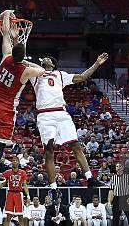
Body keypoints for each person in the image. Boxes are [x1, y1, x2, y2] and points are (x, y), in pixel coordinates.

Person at [0, 10, 45, 208]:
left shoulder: (6, 58)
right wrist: (26, 60)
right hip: (6, 111)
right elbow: (43, 70)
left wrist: (6, 15)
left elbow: (5, 34)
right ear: (23, 58)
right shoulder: (26, 70)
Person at [32, 53, 109, 201]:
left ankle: (90, 178)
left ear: (53, 64)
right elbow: (19, 59)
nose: (44, 59)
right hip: (45, 115)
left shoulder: (61, 75)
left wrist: (97, 63)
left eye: (47, 58)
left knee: (76, 145)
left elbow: (82, 76)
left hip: (61, 113)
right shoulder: (35, 73)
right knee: (49, 150)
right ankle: (54, 188)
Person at [0, 155, 30, 226]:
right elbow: (4, 182)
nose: (14, 162)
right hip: (10, 194)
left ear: (18, 162)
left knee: (21, 217)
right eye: (13, 160)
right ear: (11, 162)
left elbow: (24, 185)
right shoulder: (8, 172)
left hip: (19, 194)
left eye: (16, 160)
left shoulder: (23, 172)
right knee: (8, 216)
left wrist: (28, 195)